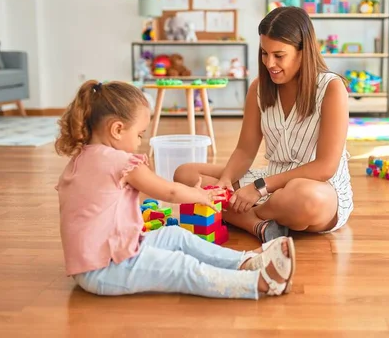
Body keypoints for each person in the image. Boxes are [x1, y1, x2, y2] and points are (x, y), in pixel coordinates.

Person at [54, 80, 296, 299]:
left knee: (175, 235)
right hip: (106, 268)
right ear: (117, 129)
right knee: (181, 267)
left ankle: (245, 261)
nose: (140, 142)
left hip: (96, 262)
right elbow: (169, 192)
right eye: (139, 134)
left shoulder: (80, 160)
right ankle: (258, 282)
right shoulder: (120, 163)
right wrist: (202, 195)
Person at [174, 6, 353, 243]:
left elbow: (325, 167)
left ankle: (244, 216)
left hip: (317, 190)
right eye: (264, 53)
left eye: (279, 55)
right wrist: (226, 180)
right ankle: (259, 225)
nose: (270, 63)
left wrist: (259, 188)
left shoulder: (332, 88)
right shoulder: (259, 88)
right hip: (270, 182)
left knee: (305, 197)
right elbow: (245, 150)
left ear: (303, 51)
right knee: (185, 174)